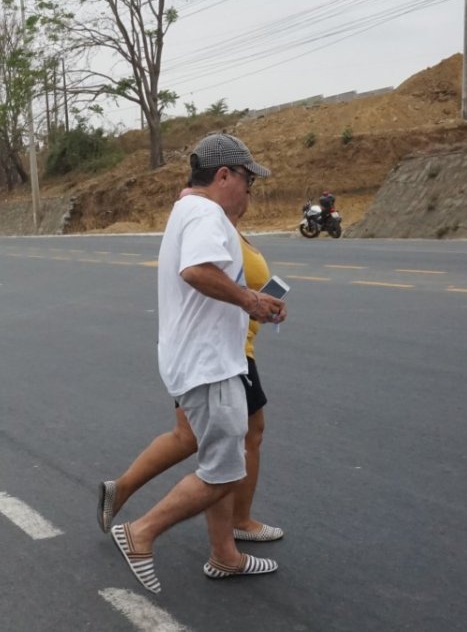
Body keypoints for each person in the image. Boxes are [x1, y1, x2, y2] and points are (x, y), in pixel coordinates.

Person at [106, 133, 286, 594]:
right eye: (247, 180)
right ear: (224, 175)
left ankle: (224, 555)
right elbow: (198, 270)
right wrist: (248, 300)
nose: (249, 191)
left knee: (216, 455)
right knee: (225, 468)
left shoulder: (188, 209)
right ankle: (141, 533)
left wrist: (252, 301)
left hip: (205, 360)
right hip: (210, 364)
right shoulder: (206, 212)